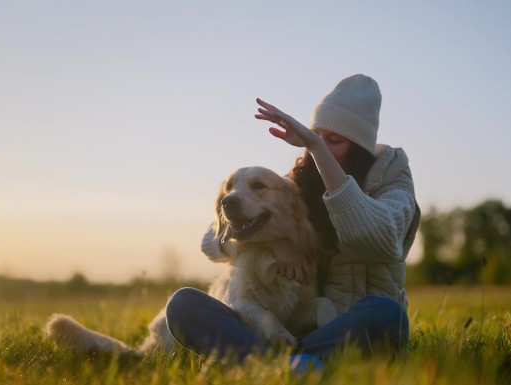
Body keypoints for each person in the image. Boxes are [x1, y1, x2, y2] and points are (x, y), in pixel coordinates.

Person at [165, 74, 420, 365]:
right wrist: (279, 240)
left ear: (360, 147)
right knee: (184, 303)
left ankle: (266, 363)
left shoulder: (393, 179)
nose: (317, 150)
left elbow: (381, 240)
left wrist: (317, 150)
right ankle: (291, 365)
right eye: (315, 138)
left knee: (386, 313)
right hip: (300, 326)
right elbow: (212, 241)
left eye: (331, 142)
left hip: (351, 325)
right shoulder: (300, 183)